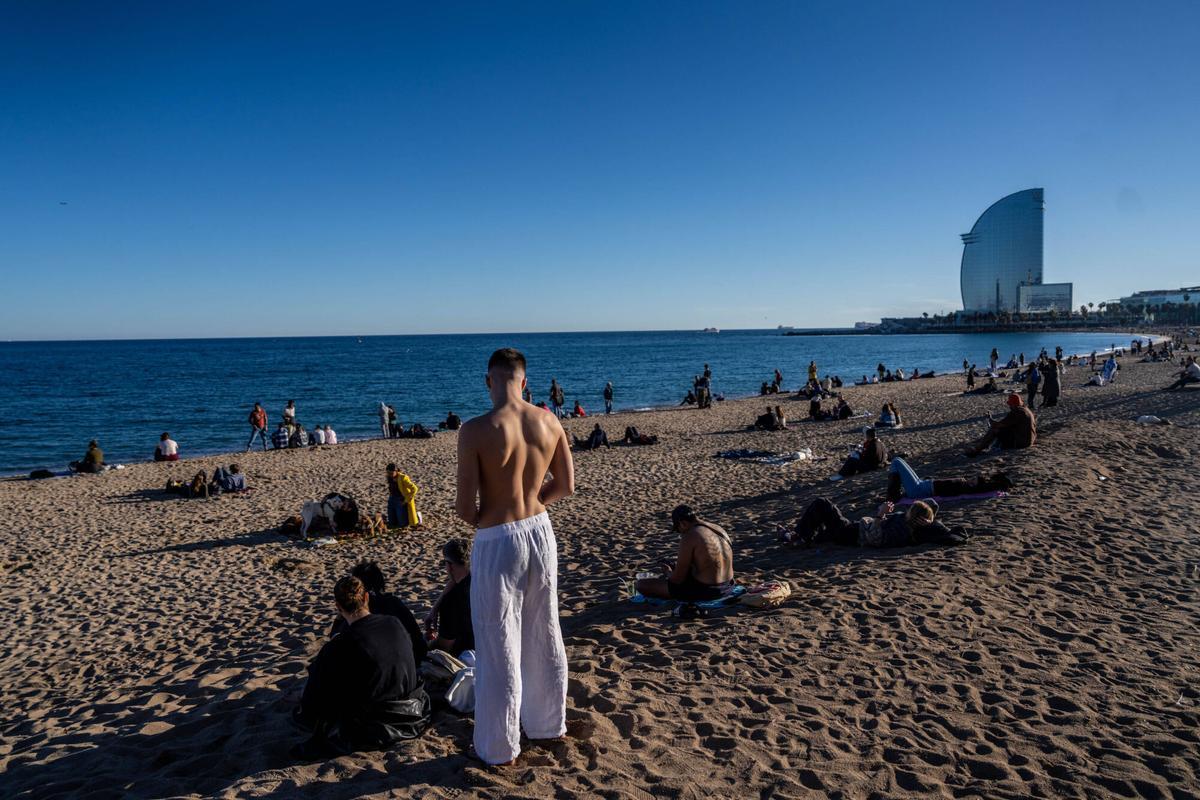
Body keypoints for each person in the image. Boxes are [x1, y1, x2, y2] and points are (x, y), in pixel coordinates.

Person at [454, 348, 571, 765]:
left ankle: (499, 747)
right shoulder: (549, 419)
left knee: (497, 640)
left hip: (498, 537)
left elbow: (466, 509)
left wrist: (493, 517)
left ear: (489, 381)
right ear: (524, 380)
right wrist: (533, 503)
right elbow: (566, 485)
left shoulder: (475, 429)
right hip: (540, 530)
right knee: (544, 628)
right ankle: (547, 725)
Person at [292, 576, 430, 760]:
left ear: (338, 608)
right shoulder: (393, 623)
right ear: (366, 597)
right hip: (412, 711)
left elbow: (315, 703)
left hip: (373, 722)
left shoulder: (339, 645)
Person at [334, 561, 427, 666]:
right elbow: (417, 639)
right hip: (412, 664)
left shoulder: (357, 615)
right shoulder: (394, 604)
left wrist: (340, 614)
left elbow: (335, 639)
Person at [636, 505, 734, 601]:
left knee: (641, 585)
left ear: (682, 523)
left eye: (679, 530)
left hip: (708, 592)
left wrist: (669, 573)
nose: (681, 533)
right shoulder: (718, 529)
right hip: (728, 585)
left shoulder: (690, 535)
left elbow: (677, 580)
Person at [783, 497, 967, 548]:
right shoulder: (913, 523)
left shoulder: (903, 530)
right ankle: (796, 536)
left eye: (911, 509)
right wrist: (930, 520)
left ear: (915, 517)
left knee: (822, 504)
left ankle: (798, 536)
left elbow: (874, 539)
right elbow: (934, 509)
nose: (906, 511)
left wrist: (880, 515)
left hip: (853, 534)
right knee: (820, 529)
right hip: (855, 528)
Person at [424, 539, 475, 657]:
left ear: (449, 565)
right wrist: (435, 608)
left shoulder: (452, 601)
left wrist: (427, 644)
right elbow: (454, 581)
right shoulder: (478, 578)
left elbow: (444, 645)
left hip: (467, 657)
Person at [886, 457, 1013, 501]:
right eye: (973, 478)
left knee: (896, 461)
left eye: (973, 481)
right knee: (899, 461)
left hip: (918, 490)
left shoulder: (964, 488)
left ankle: (893, 495)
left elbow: (984, 487)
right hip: (922, 484)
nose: (971, 480)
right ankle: (894, 494)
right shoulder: (965, 485)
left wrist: (998, 484)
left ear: (974, 487)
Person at [965, 394, 1037, 456]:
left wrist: (990, 420)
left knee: (994, 430)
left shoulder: (1017, 412)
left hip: (1022, 442)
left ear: (1013, 404)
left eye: (1010, 404)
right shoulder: (1025, 410)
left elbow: (999, 425)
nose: (1009, 406)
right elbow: (1006, 423)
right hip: (1029, 439)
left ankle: (978, 449)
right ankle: (983, 446)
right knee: (1000, 430)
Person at [386, 463, 420, 529]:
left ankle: (418, 516)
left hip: (400, 500)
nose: (389, 475)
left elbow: (415, 489)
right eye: (388, 473)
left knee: (403, 524)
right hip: (392, 499)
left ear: (396, 471)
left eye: (391, 473)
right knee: (392, 522)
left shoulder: (403, 478)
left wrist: (406, 500)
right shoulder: (389, 477)